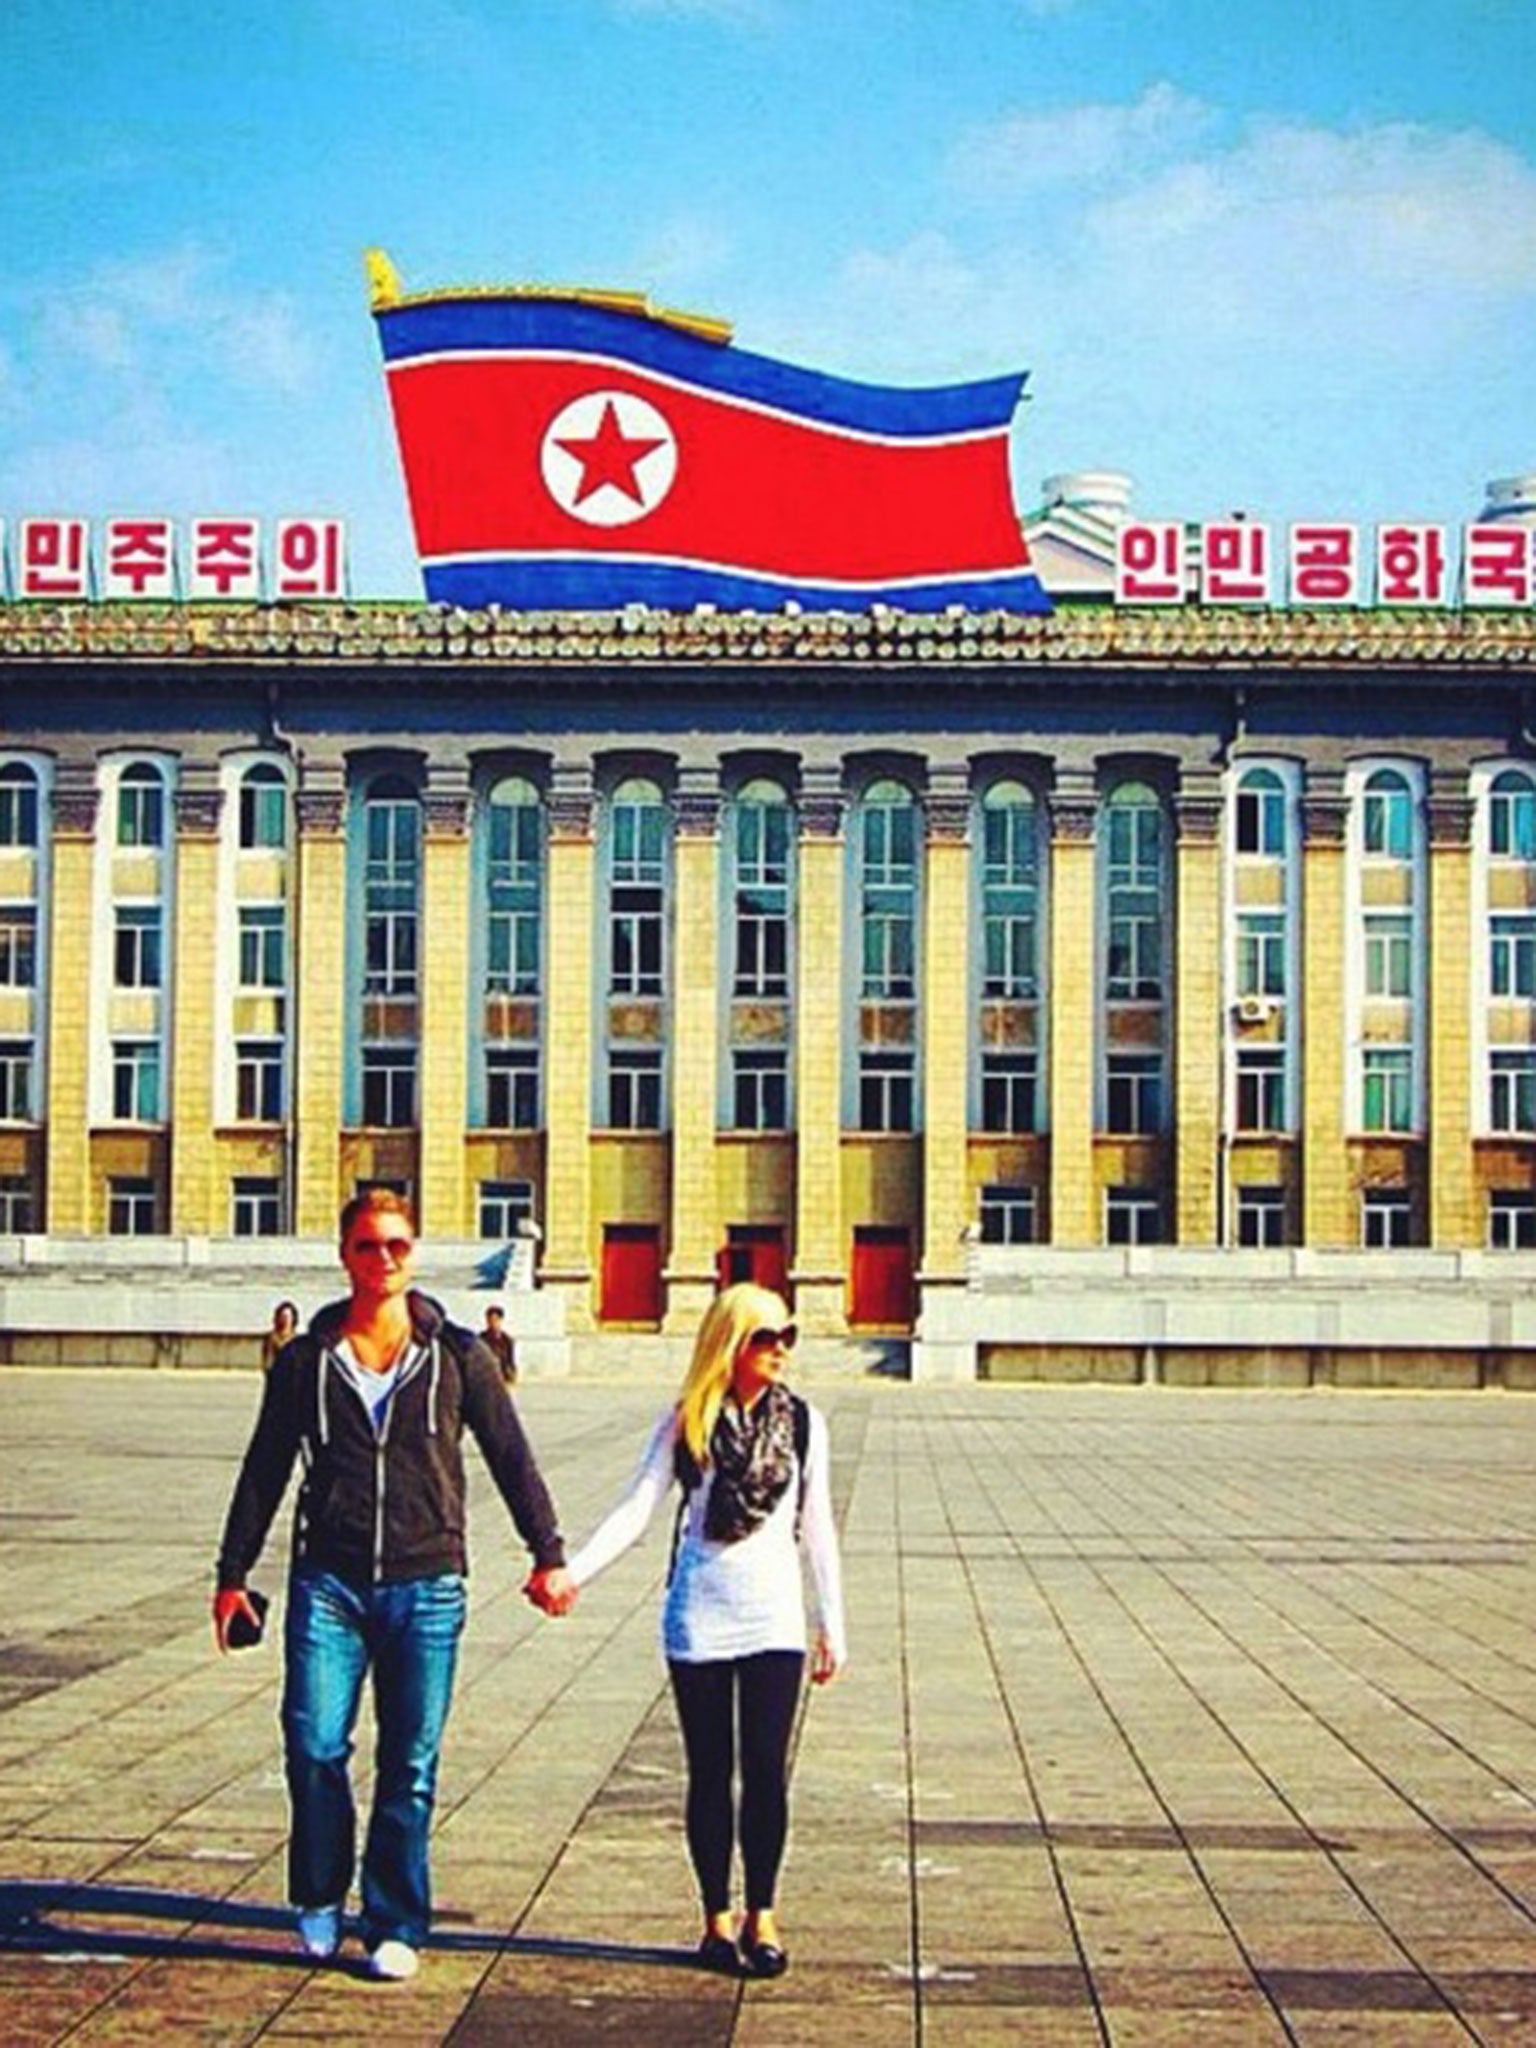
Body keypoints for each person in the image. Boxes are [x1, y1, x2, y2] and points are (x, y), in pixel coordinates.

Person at [212, 1190, 572, 1980]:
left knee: (410, 1761)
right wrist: (231, 1574)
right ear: (345, 1255)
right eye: (370, 1246)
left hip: (428, 1582)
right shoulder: (308, 1361)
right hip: (328, 1583)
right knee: (312, 1744)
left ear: (417, 1253)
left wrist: (546, 1552)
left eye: (398, 1246)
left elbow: (512, 1457)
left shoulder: (457, 1355)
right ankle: (316, 1897)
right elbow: (265, 1467)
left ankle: (394, 1920)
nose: (385, 1260)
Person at [535, 1282, 846, 1979]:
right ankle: (716, 1918)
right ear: (731, 1343)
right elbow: (636, 1510)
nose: (780, 1352)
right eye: (767, 1338)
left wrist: (834, 1622)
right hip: (699, 1615)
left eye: (787, 1337)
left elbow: (816, 1526)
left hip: (775, 1620)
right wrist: (571, 1572)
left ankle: (763, 1915)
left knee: (766, 1773)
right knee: (711, 1774)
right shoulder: (688, 1422)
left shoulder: (804, 1423)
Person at [480, 1303, 517, 1386]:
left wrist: (512, 1374)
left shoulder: (507, 1341)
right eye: (489, 1320)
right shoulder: (481, 1339)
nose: (492, 1323)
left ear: (500, 1320)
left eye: (495, 1320)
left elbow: (510, 1361)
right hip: (485, 1380)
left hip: (502, 1380)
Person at [261, 1299, 299, 1373]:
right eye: (283, 1316)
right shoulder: (272, 1338)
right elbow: (269, 1363)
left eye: (288, 1317)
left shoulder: (297, 1339)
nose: (285, 1320)